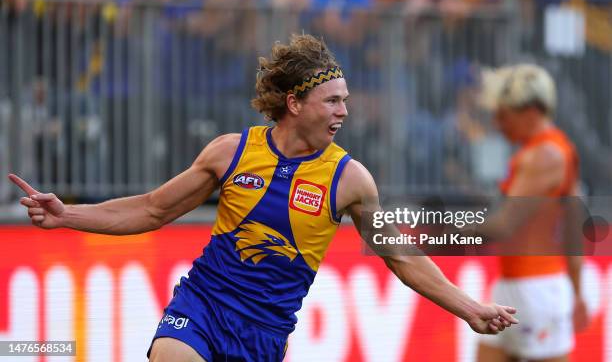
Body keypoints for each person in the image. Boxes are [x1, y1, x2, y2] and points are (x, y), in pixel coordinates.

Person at [9, 34, 518, 362]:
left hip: (265, 333)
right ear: (294, 102)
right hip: (202, 305)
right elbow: (152, 209)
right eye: (333, 101)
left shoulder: (350, 180)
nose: (344, 112)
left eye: (346, 101)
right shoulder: (230, 153)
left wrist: (469, 308)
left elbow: (400, 256)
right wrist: (67, 213)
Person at [477, 64, 589, 362]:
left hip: (536, 290)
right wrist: (577, 291)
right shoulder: (552, 151)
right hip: (516, 285)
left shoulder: (546, 154)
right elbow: (574, 226)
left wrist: (441, 228)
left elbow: (504, 225)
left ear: (530, 112)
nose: (498, 124)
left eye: (503, 115)